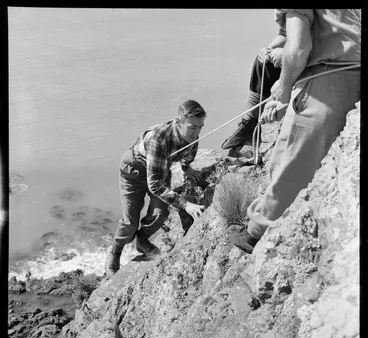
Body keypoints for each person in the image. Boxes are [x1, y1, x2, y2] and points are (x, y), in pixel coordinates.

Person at [230, 9, 361, 252]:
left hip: (328, 83)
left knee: (291, 161)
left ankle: (256, 234)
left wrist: (284, 91)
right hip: (352, 77)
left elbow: (299, 47)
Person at [105, 100, 206, 278]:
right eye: (192, 127)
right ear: (179, 122)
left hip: (159, 169)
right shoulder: (158, 139)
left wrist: (186, 168)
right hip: (133, 171)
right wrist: (186, 204)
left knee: (160, 214)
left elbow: (188, 153)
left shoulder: (192, 135)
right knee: (130, 223)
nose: (196, 132)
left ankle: (142, 240)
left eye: (200, 127)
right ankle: (115, 251)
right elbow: (155, 185)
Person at [221, 28, 286, 152]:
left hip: (320, 63)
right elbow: (284, 34)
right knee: (264, 61)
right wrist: (269, 50)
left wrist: (287, 56)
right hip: (298, 54)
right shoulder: (294, 13)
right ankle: (250, 121)